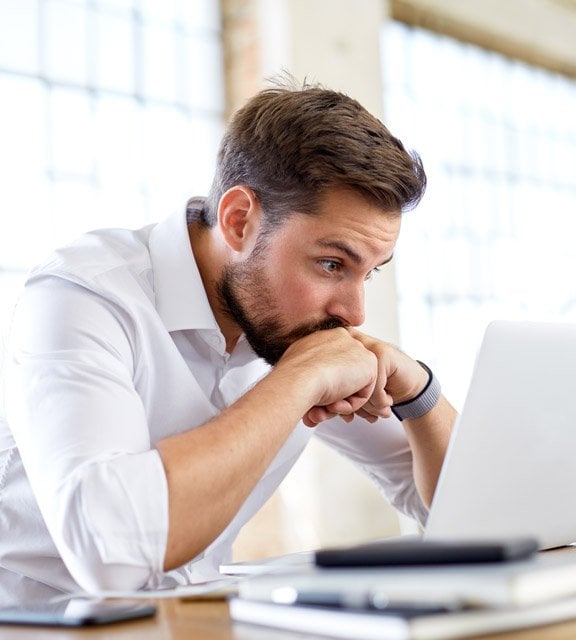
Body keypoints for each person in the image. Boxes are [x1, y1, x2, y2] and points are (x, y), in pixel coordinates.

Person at [0, 80, 457, 601]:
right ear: (239, 221)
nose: (353, 313)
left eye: (368, 273)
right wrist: (299, 379)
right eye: (332, 264)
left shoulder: (292, 324)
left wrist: (420, 392)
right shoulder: (82, 294)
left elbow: (467, 511)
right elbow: (112, 556)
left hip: (193, 623)